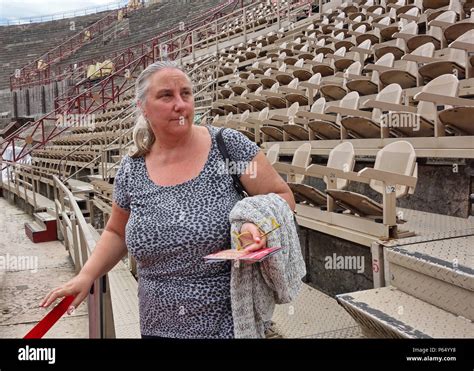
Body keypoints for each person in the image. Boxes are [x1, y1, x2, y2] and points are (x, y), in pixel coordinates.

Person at [40, 61, 296, 338]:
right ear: (143, 106)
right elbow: (116, 231)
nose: (180, 104)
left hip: (228, 323)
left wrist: (256, 224)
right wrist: (86, 276)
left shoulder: (227, 147)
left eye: (185, 94)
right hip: (156, 324)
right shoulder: (132, 168)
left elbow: (282, 197)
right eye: (166, 96)